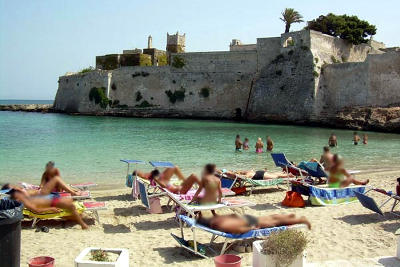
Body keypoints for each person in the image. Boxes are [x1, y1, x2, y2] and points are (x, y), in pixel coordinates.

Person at [3, 185, 88, 229]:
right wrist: (50, 209)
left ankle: (79, 219)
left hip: (46, 198)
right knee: (71, 206)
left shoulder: (21, 197)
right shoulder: (22, 199)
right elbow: (36, 210)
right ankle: (82, 223)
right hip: (47, 203)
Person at [197, 213, 311, 234]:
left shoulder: (218, 225)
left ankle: (301, 220)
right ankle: (291, 218)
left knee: (274, 220)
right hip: (248, 219)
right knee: (272, 218)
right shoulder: (218, 220)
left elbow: (239, 230)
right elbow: (234, 217)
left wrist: (250, 228)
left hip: (250, 222)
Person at [135, 166, 200, 194]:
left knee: (175, 167)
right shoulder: (160, 181)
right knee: (194, 176)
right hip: (180, 191)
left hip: (179, 187)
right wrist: (156, 179)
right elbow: (164, 186)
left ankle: (186, 181)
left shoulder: (160, 179)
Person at [218, 169, 293, 180]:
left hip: (261, 175)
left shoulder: (246, 175)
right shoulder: (247, 172)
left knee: (276, 176)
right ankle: (288, 174)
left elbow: (241, 177)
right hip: (259, 173)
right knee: (276, 175)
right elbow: (236, 175)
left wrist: (226, 173)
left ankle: (289, 175)